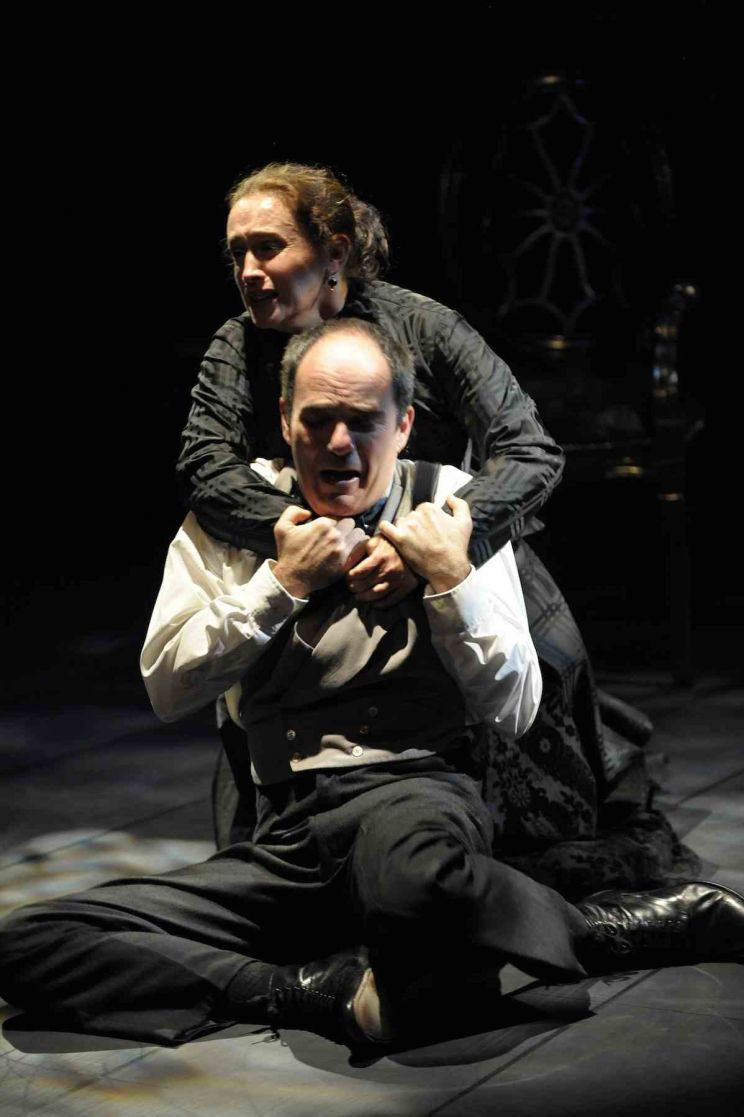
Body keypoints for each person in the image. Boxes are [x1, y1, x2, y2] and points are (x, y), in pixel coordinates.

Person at [0, 319, 741, 1052]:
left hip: (414, 799)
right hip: (286, 832)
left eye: (363, 421)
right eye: (317, 419)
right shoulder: (233, 516)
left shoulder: (450, 503)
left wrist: (448, 577)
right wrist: (282, 584)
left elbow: (515, 708)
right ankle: (321, 991)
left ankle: (600, 927)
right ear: (285, 419)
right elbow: (168, 686)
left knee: (422, 881)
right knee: (34, 939)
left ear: (404, 424)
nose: (338, 444)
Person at [178, 162, 694, 890]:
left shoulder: (423, 325)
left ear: (334, 252)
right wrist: (320, 541)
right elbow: (206, 468)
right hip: (308, 564)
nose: (249, 271)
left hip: (441, 546)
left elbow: (528, 448)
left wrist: (425, 546)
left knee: (530, 682)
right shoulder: (236, 346)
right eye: (238, 253)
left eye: (268, 248)